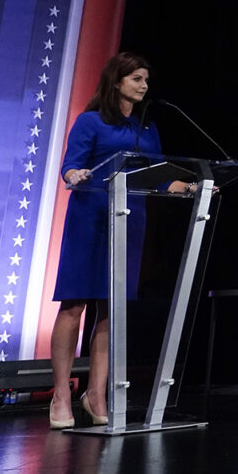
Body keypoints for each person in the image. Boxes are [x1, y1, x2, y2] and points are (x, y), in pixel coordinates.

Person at [51, 53, 196, 429]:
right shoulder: (91, 121)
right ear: (116, 81)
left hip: (130, 220)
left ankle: (95, 393)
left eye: (146, 79)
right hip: (91, 217)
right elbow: (70, 164)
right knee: (74, 305)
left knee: (111, 309)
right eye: (136, 78)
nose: (144, 85)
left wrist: (184, 186)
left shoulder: (147, 130)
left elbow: (157, 175)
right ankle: (61, 395)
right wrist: (74, 173)